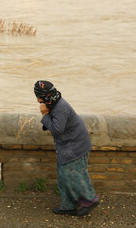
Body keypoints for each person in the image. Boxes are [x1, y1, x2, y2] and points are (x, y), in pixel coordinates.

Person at [34, 80, 99, 216]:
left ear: (46, 96)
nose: (38, 100)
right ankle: (69, 206)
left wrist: (45, 115)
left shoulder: (60, 107)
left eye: (39, 96)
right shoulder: (54, 103)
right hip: (67, 145)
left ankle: (89, 200)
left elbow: (57, 130)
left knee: (73, 174)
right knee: (64, 176)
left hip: (75, 145)